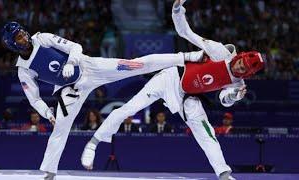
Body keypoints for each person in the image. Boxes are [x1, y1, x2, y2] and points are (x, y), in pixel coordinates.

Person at [81, 1, 264, 180]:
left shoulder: (238, 84)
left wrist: (233, 96)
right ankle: (93, 143)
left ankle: (224, 174)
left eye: (243, 68)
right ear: (240, 56)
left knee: (206, 132)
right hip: (171, 77)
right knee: (129, 108)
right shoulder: (220, 52)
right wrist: (177, 10)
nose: (239, 66)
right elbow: (187, 33)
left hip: (188, 97)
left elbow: (224, 99)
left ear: (247, 73)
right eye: (241, 61)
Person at [0, 21, 198, 179]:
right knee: (60, 128)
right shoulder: (24, 70)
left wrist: (71, 61)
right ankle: (49, 173)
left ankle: (185, 56)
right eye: (19, 36)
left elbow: (75, 47)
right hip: (71, 90)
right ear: (13, 44)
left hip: (89, 67)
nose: (24, 36)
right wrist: (47, 113)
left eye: (23, 31)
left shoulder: (42, 38)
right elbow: (33, 98)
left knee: (135, 65)